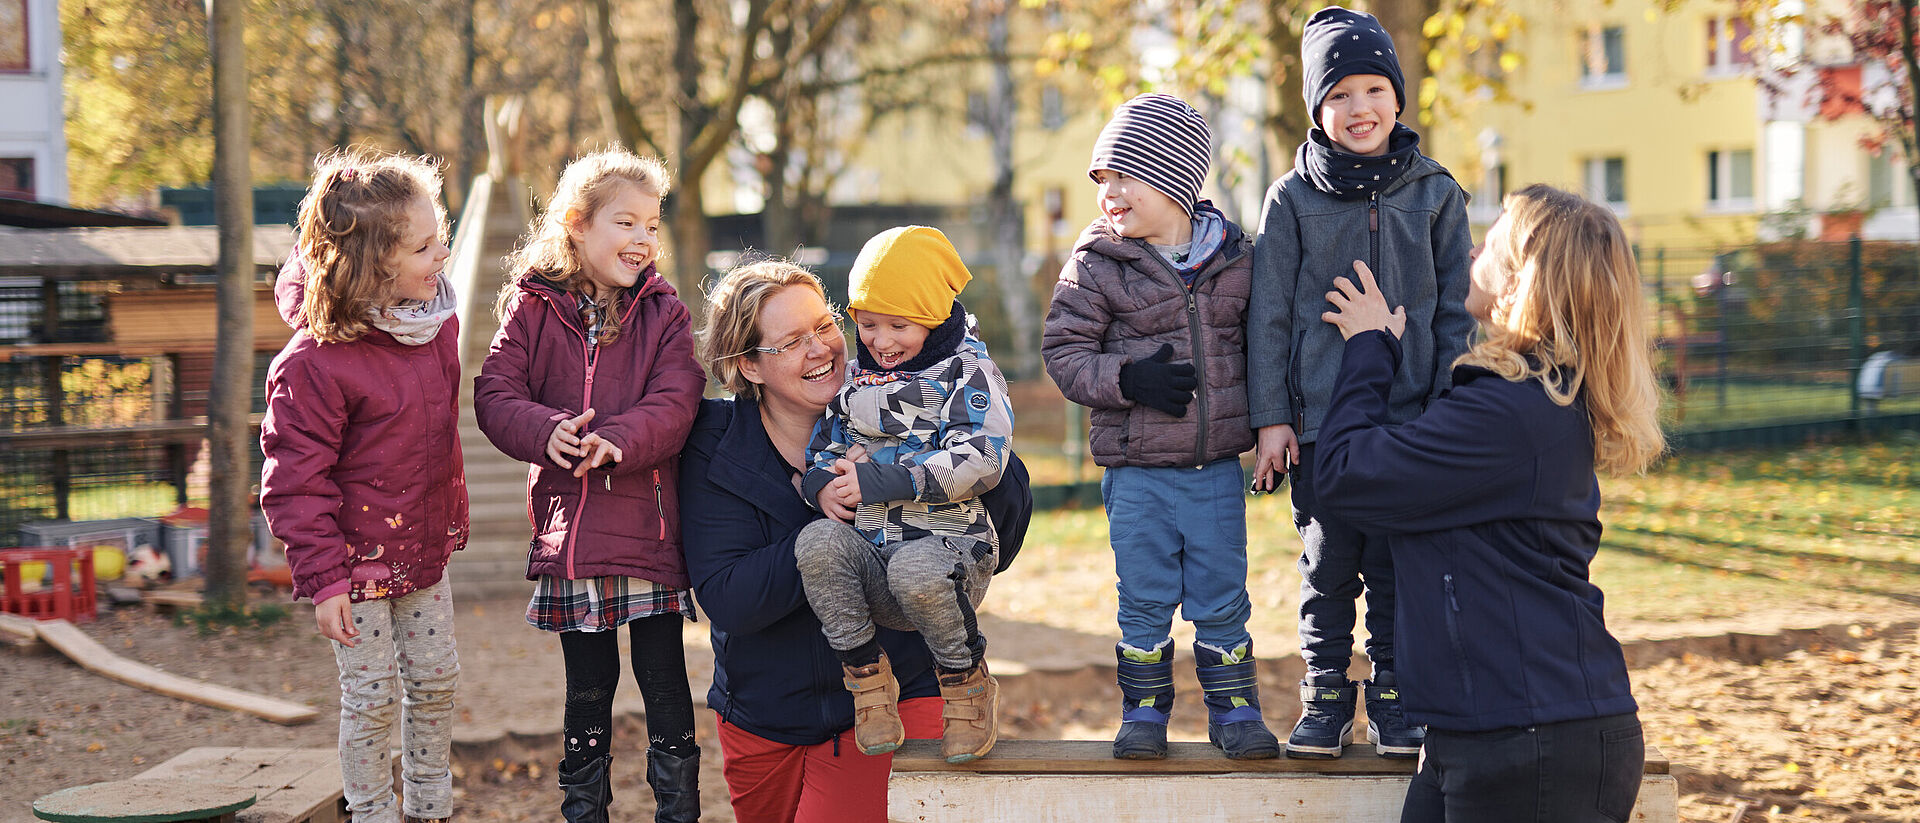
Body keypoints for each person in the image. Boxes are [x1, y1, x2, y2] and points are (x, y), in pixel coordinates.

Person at [1314, 183, 1663, 821]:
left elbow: (1346, 474)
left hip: (1536, 741)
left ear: (1520, 278)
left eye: (1491, 242)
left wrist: (1370, 347)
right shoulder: (1530, 401)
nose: (1473, 247)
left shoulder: (1512, 414)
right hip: (1488, 730)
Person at [682, 260, 1032, 821]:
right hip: (761, 712)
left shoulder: (904, 407)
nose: (822, 349)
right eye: (791, 342)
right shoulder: (716, 446)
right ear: (748, 366)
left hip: (896, 695)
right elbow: (730, 597)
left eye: (825, 327)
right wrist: (839, 515)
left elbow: (998, 541)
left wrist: (931, 472)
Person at [1247, 5, 1476, 759]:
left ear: (1398, 99)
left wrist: (1447, 407)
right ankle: (1322, 694)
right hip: (1320, 426)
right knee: (1328, 562)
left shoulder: (1436, 193)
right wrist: (1272, 416)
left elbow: (1455, 313)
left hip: (1410, 420)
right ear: (1317, 109)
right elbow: (1270, 316)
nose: (1359, 109)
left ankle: (1395, 692)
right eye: (1339, 95)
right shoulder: (1292, 199)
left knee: (1397, 566)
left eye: (1374, 89)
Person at [1041, 92, 1278, 761]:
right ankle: (1144, 710)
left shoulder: (1236, 262)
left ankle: (1233, 708)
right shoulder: (1095, 265)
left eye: (1124, 175)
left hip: (1212, 472)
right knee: (1144, 596)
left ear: (1174, 179)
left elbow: (1263, 353)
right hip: (1137, 472)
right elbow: (1064, 354)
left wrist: (1269, 426)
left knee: (1222, 594)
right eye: (1101, 180)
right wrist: (1126, 378)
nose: (1108, 193)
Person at [473, 148, 706, 823]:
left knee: (664, 678)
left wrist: (621, 440)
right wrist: (546, 429)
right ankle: (585, 811)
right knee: (588, 687)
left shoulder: (666, 314)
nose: (643, 239)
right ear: (577, 223)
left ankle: (678, 810)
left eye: (653, 226)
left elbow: (676, 399)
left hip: (646, 530)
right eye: (626, 223)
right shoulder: (532, 307)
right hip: (571, 534)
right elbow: (496, 392)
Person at [260, 149, 466, 823]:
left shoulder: (435, 326)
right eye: (425, 245)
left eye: (441, 236)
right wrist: (323, 580)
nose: (443, 253)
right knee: (372, 695)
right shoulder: (314, 363)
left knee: (437, 680)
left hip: (422, 552)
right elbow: (294, 482)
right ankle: (371, 810)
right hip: (351, 568)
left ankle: (430, 807)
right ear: (372, 263)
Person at [794, 226, 1014, 765]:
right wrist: (822, 485)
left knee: (916, 567)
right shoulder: (856, 381)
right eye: (867, 325)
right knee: (817, 542)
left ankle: (965, 685)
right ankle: (868, 683)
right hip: (876, 555)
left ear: (936, 316)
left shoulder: (968, 373)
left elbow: (983, 459)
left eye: (899, 325)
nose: (882, 341)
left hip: (949, 555)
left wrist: (884, 476)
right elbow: (826, 445)